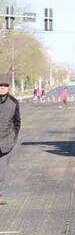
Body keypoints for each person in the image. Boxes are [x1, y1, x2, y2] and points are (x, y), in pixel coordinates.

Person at [0, 74, 21, 206]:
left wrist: (12, 139)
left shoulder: (13, 103)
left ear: (9, 87)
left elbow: (17, 123)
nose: (2, 88)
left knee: (1, 171)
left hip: (5, 143)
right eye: (0, 85)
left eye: (5, 86)